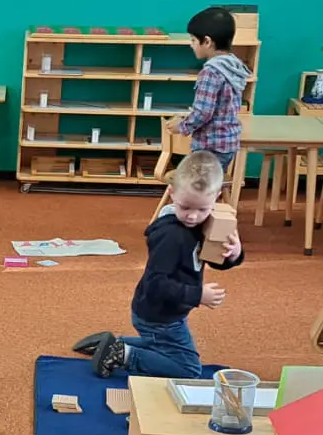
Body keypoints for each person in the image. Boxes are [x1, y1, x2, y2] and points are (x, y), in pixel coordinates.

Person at [90, 151, 242, 379]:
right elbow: (156, 284)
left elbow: (213, 259)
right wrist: (197, 295)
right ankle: (123, 354)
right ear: (172, 194)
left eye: (202, 209)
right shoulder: (172, 237)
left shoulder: (199, 224)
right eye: (185, 207)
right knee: (189, 369)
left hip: (168, 312)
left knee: (163, 346)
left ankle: (115, 343)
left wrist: (234, 254)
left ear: (217, 198)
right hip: (159, 316)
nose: (192, 216)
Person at [175, 6, 252, 171]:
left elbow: (203, 112)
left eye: (193, 40)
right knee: (210, 186)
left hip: (210, 146)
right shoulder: (232, 65)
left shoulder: (211, 72)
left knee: (198, 190)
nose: (191, 45)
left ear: (207, 42)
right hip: (227, 143)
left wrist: (181, 126)